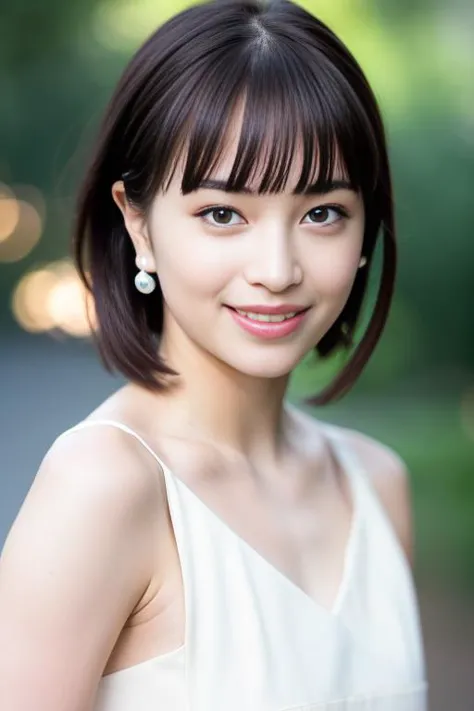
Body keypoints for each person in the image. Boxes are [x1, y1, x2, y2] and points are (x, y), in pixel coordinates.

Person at [0, 1, 428, 709]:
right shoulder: (103, 487)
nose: (277, 267)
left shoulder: (379, 485)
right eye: (222, 213)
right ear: (138, 223)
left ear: (364, 231)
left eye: (323, 212)